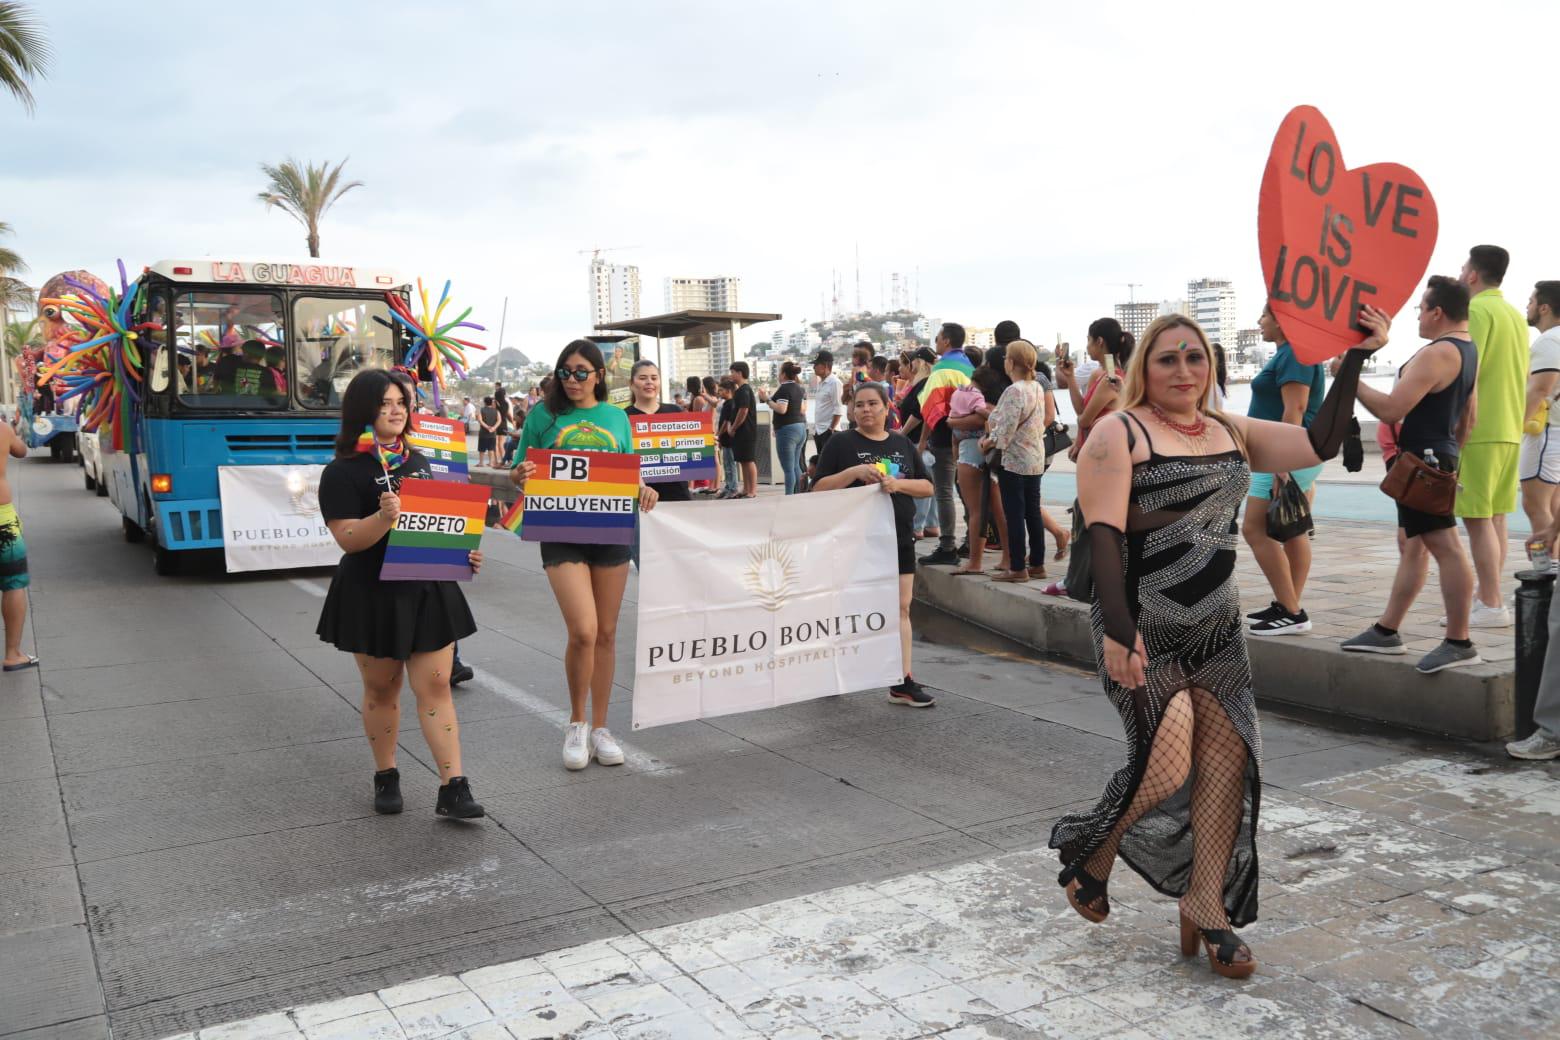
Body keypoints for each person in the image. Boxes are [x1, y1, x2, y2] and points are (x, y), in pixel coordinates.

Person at [1053, 310, 1378, 980]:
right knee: (1166, 768)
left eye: (1195, 358)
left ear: (1212, 367)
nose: (1183, 370)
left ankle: (1208, 906)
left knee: (1229, 765)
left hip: (1219, 629)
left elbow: (1319, 438)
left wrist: (1351, 357)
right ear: (1145, 365)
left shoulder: (1231, 429)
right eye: (1168, 359)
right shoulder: (1120, 431)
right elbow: (1106, 537)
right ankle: (1094, 849)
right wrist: (1119, 631)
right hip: (1143, 624)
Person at [315, 369, 484, 819]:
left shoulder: (421, 462)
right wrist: (381, 519)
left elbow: (436, 525)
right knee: (381, 689)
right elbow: (348, 538)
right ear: (362, 411)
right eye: (385, 403)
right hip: (371, 593)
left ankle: (454, 786)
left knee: (435, 687)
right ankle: (386, 773)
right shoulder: (342, 471)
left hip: (427, 587)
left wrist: (461, 553)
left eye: (401, 403)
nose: (395, 411)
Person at [511, 340, 659, 770]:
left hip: (610, 528)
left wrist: (643, 489)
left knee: (608, 633)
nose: (572, 380)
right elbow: (518, 473)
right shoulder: (543, 415)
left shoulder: (616, 418)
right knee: (584, 629)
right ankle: (576, 722)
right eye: (565, 372)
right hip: (560, 530)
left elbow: (630, 472)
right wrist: (519, 474)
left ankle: (600, 727)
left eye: (580, 372)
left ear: (598, 374)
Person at [1341, 277, 1482, 673]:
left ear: (1438, 312)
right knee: (1413, 546)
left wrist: (1349, 378)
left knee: (1447, 548)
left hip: (1423, 460)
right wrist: (1450, 459)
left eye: (1421, 308)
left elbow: (1389, 410)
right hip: (1436, 457)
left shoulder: (1438, 353)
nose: (1417, 315)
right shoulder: (1469, 350)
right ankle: (1387, 630)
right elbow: (1468, 418)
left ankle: (1460, 640)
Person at [810, 382, 935, 707]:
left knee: (901, 607)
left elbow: (927, 487)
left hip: (898, 537)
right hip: (854, 540)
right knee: (846, 607)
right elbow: (818, 489)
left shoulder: (902, 443)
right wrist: (853, 472)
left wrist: (898, 484)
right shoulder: (840, 443)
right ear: (851, 410)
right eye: (859, 404)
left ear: (886, 407)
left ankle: (902, 680)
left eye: (872, 404)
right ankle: (832, 668)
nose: (865, 410)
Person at [1241, 303, 1327, 635]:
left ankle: (1292, 611)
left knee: (1254, 529)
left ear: (1281, 320)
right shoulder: (1288, 353)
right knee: (1291, 530)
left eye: (1264, 315)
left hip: (1284, 453)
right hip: (1279, 453)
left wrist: (1283, 467)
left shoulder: (1296, 354)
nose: (1259, 321)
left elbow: (1297, 408)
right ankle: (1287, 603)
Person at [1456, 245, 1529, 626]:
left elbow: (1470, 373)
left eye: (1464, 266)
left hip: (1481, 429)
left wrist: (1460, 429)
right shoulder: (1516, 315)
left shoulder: (1477, 310)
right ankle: (1489, 598)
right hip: (1510, 429)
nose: (1461, 272)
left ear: (1473, 274)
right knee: (1496, 519)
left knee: (1477, 520)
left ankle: (1490, 603)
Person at [982, 340, 1053, 582]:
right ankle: (1037, 563)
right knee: (1032, 511)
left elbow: (1005, 429)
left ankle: (1017, 568)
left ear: (1011, 362)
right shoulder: (1036, 387)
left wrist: (988, 442)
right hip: (1035, 457)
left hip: (1014, 460)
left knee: (1014, 513)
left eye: (1006, 358)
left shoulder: (1014, 390)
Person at [948, 346, 1009, 575]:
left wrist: (952, 422)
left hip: (970, 453)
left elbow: (957, 420)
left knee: (975, 510)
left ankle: (974, 562)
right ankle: (1009, 556)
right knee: (997, 507)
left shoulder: (970, 396)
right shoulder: (1002, 394)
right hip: (989, 453)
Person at [917, 323, 974, 566]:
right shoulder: (971, 366)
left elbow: (930, 408)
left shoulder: (941, 368)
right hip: (970, 436)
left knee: (944, 493)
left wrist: (921, 441)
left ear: (947, 341)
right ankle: (972, 542)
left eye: (938, 338)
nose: (936, 342)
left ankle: (947, 545)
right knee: (969, 494)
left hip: (943, 437)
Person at [625, 359, 690, 568]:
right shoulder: (622, 418)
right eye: (643, 378)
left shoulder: (676, 412)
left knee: (683, 566)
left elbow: (690, 452)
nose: (649, 383)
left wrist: (706, 445)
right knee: (650, 570)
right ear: (632, 383)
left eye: (654, 378)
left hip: (678, 501)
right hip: (640, 506)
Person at [1518, 281, 1560, 539]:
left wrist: (1514, 426)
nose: (1527, 306)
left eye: (1531, 301)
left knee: (1535, 505)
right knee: (1553, 506)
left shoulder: (1549, 341)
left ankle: (1546, 571)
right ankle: (1553, 570)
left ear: (1544, 308)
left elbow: (1540, 389)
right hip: (1555, 432)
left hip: (1546, 433)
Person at [1057, 318, 1133, 458]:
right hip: (1095, 447)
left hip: (1104, 451)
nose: (1087, 346)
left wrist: (1079, 430)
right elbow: (1081, 409)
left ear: (1099, 341)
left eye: (1088, 340)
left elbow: (1085, 420)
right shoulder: (1101, 374)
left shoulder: (1110, 380)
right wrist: (1070, 377)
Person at [896, 347, 940, 540]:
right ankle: (931, 524)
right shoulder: (926, 382)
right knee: (931, 482)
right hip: (922, 440)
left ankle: (917, 526)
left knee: (922, 482)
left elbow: (920, 412)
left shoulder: (925, 383)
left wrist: (902, 433)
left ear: (920, 362)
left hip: (917, 440)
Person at [0, 420, 34, 671]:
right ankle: (12, 654)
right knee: (13, 583)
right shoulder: (2, 429)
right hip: (2, 521)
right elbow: (21, 450)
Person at [764, 361, 808, 494]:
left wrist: (766, 399)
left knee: (788, 469)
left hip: (787, 431)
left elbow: (782, 409)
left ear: (783, 374)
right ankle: (798, 494)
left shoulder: (784, 389)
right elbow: (802, 410)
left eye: (779, 372)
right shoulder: (800, 388)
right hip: (801, 428)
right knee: (796, 466)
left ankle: (788, 496)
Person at [727, 362, 759, 497]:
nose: (731, 375)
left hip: (746, 431)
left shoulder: (744, 390)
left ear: (740, 373)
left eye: (733, 372)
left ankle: (752, 490)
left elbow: (743, 410)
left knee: (749, 460)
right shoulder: (739, 390)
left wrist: (733, 427)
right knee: (742, 461)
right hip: (740, 432)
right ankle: (746, 488)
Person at [811, 350, 844, 457]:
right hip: (819, 431)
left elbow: (838, 409)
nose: (813, 367)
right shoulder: (821, 383)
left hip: (829, 432)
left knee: (830, 465)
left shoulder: (835, 383)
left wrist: (831, 429)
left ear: (825, 365)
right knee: (821, 464)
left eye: (816, 364)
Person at [714, 378, 739, 499]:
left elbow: (725, 422)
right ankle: (728, 486)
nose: (719, 392)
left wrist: (718, 434)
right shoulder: (727, 403)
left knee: (730, 464)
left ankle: (733, 487)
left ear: (728, 391)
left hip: (728, 439)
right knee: (727, 463)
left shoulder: (730, 404)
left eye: (721, 390)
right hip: (725, 439)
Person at [476, 395, 499, 467]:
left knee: (482, 449)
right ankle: (491, 462)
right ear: (491, 403)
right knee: (491, 448)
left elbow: (480, 420)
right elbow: (499, 420)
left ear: (485, 402)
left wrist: (487, 427)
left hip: (483, 433)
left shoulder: (481, 410)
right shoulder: (496, 411)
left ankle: (481, 463)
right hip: (493, 433)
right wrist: (493, 428)